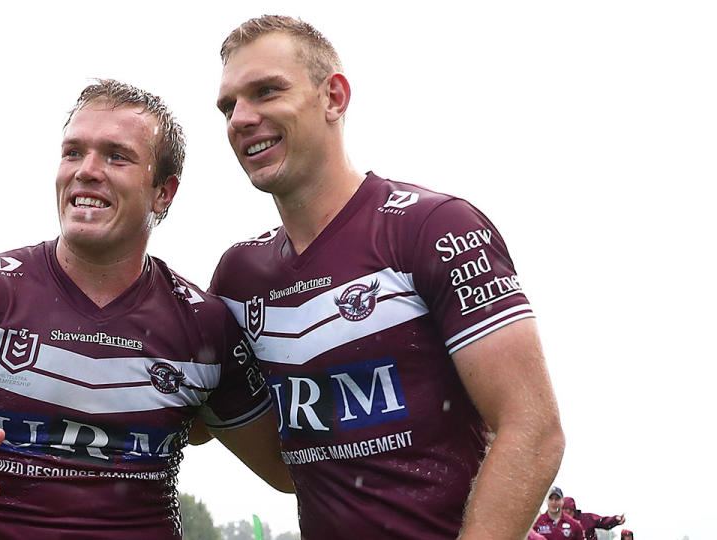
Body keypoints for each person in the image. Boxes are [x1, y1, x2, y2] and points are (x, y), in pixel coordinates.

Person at [0, 79, 290, 539]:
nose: (87, 170)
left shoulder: (206, 326)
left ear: (164, 192)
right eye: (73, 152)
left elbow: (287, 468)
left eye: (116, 156)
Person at [209, 14, 565, 540]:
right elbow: (282, 468)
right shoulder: (240, 277)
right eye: (227, 106)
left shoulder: (434, 226)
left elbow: (533, 430)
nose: (241, 118)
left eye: (266, 91)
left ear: (333, 98)